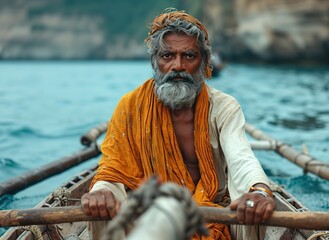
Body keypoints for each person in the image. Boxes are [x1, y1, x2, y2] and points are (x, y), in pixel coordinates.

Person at [81, 8, 276, 240]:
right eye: (167, 56)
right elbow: (113, 167)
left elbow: (241, 158)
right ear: (155, 62)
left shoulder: (223, 107)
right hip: (147, 212)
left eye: (189, 56)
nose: (178, 66)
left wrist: (260, 191)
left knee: (253, 210)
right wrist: (101, 191)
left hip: (211, 212)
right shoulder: (131, 106)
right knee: (103, 206)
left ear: (204, 63)